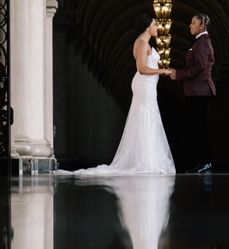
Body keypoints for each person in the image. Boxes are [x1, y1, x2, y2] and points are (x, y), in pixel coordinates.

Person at [62, 14, 177, 175]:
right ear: (146, 28)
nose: (157, 28)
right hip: (144, 85)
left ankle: (146, 158)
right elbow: (142, 69)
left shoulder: (144, 43)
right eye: (154, 25)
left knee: (147, 117)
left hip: (149, 86)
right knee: (146, 116)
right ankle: (145, 160)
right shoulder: (142, 44)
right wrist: (163, 70)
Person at [176, 13, 216, 173]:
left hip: (200, 91)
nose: (190, 25)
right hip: (197, 91)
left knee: (200, 128)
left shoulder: (202, 43)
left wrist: (179, 74)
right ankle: (202, 161)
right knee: (198, 127)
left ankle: (205, 162)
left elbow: (199, 66)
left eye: (193, 23)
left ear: (202, 26)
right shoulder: (200, 42)